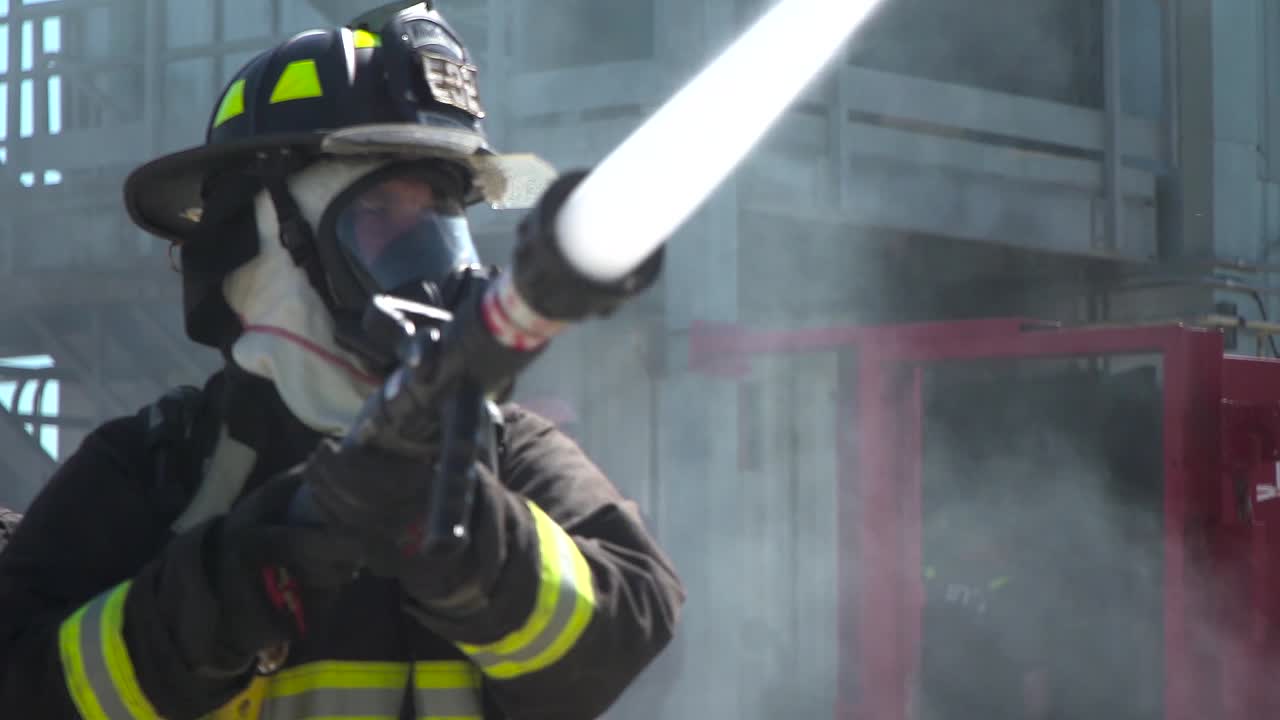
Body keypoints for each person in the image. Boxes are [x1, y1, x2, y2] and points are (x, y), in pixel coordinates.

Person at [0, 3, 684, 719]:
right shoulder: (153, 472)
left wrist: (474, 547)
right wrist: (228, 591)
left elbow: (639, 625)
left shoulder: (498, 453)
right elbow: (20, 684)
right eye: (381, 215)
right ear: (265, 245)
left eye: (440, 224)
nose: (430, 267)